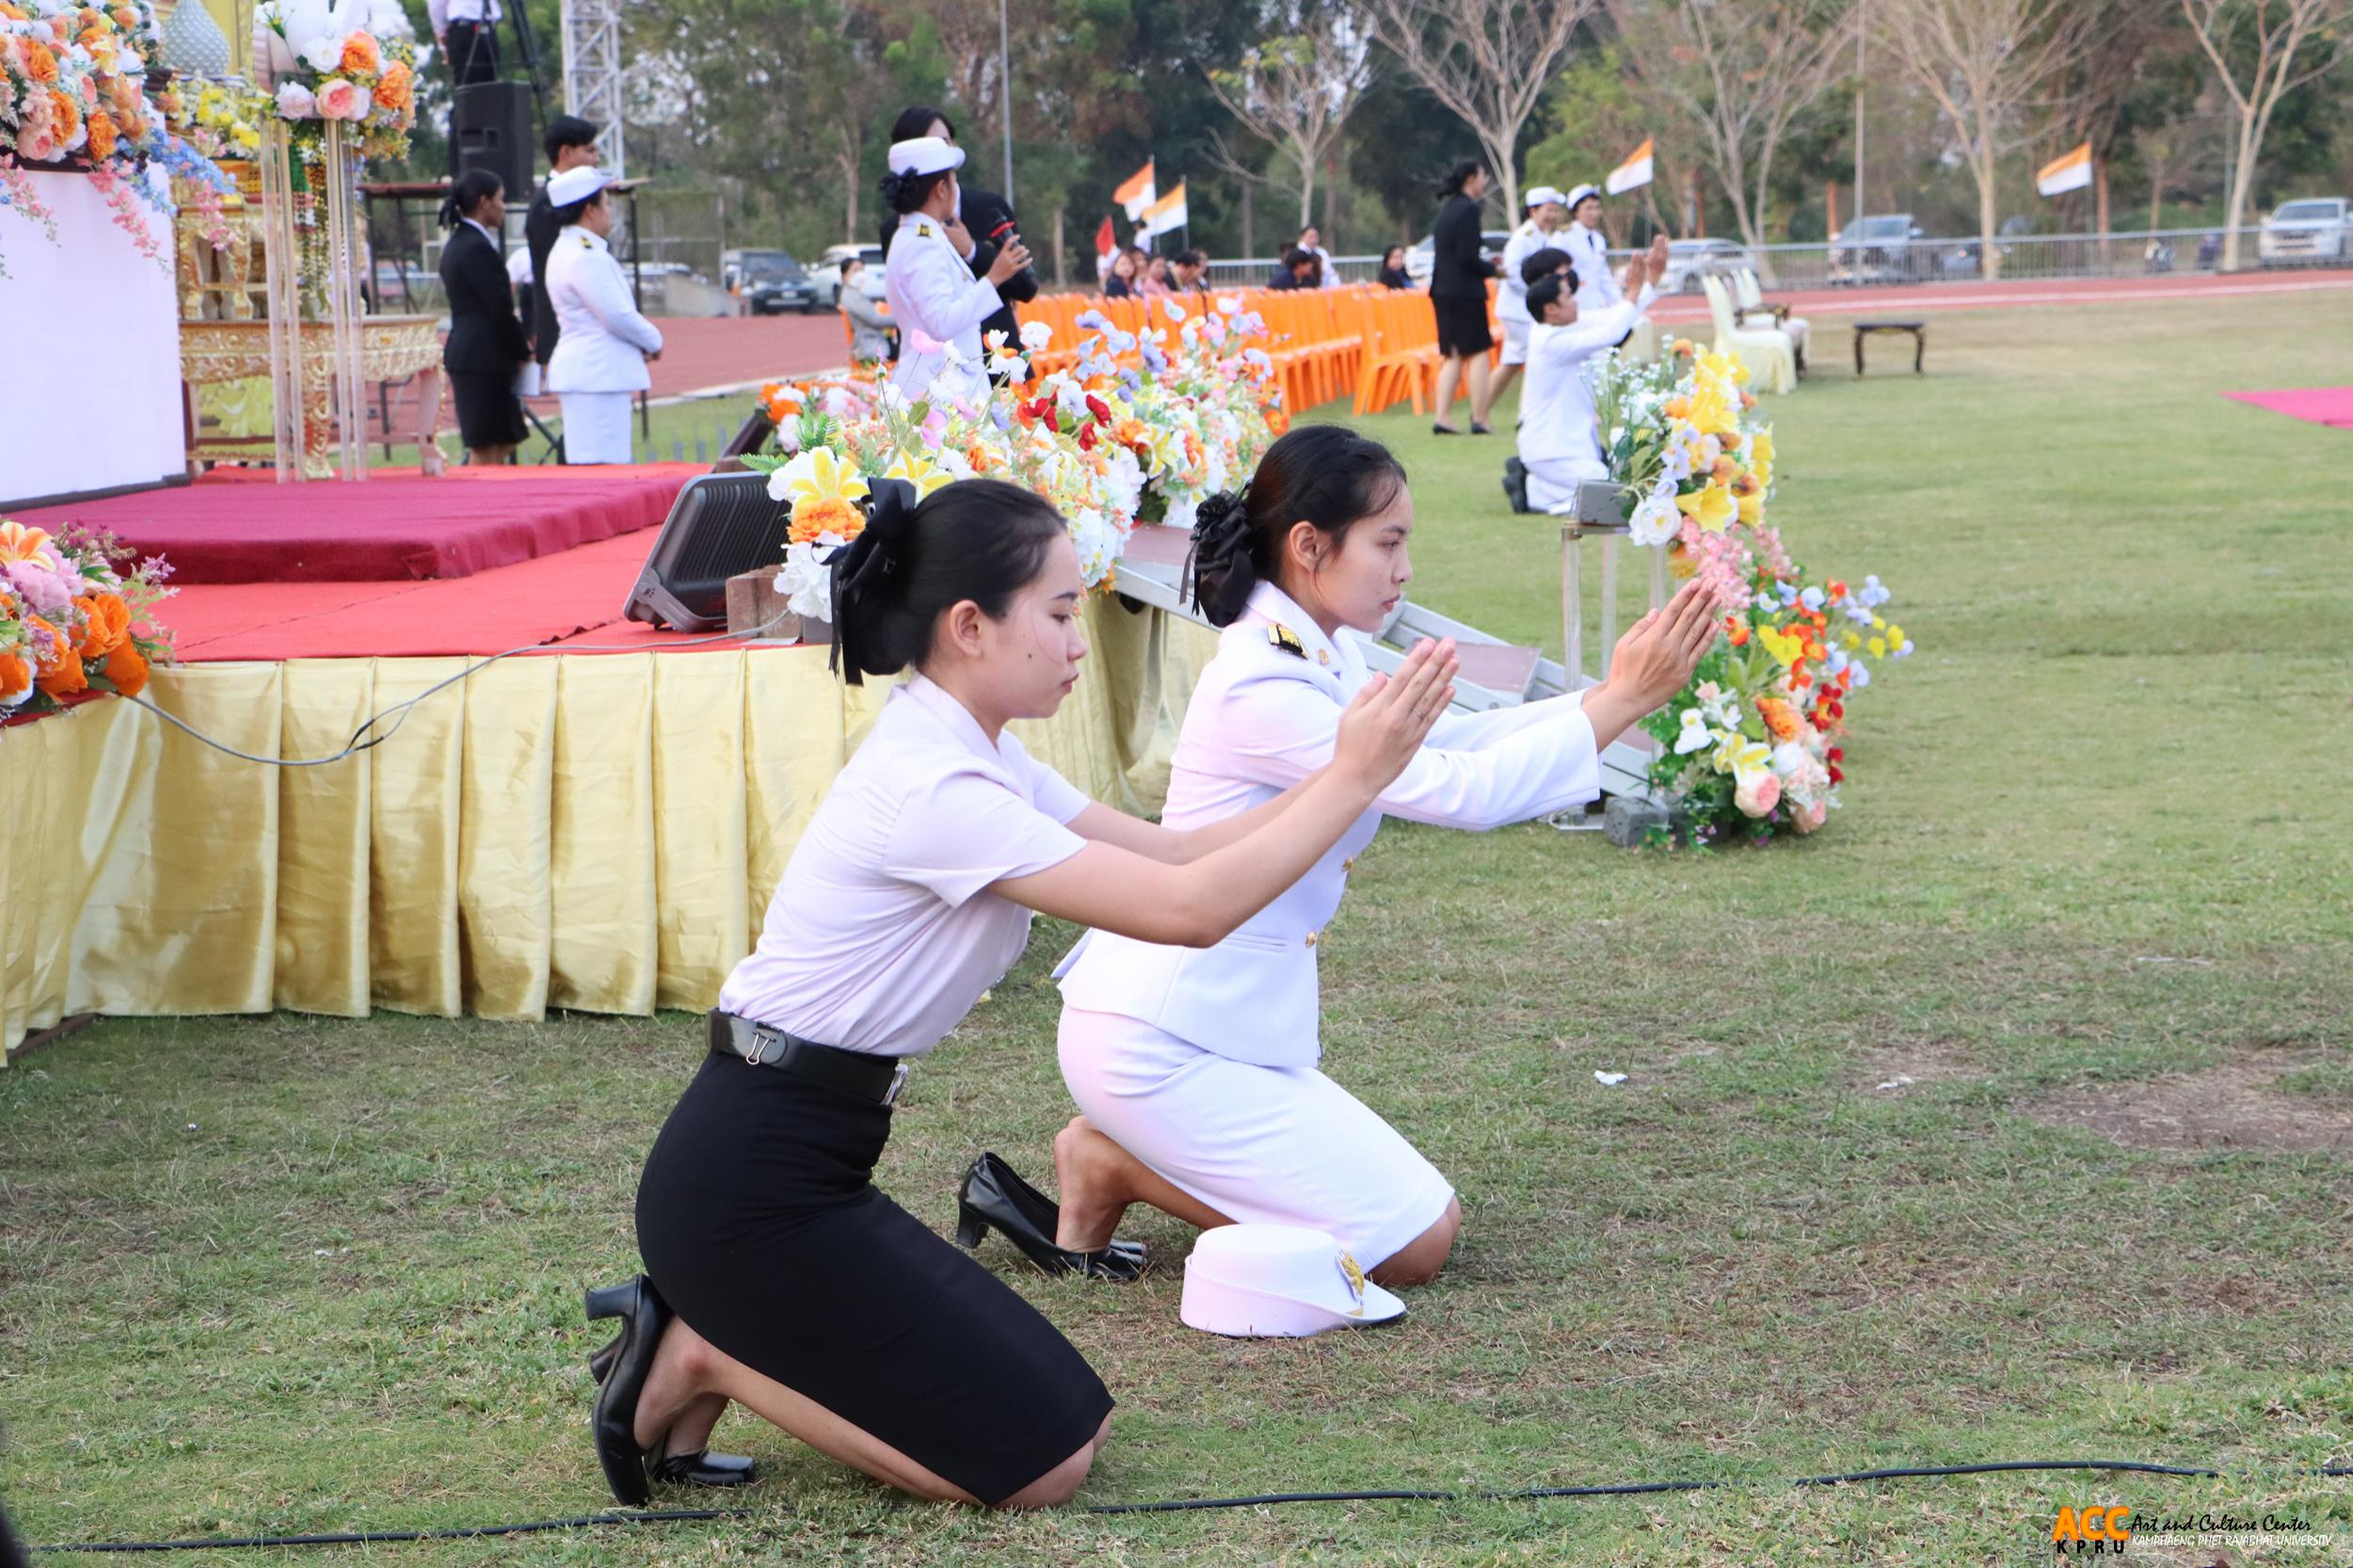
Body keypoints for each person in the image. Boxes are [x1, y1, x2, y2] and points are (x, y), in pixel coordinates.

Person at [588, 475, 1463, 1510]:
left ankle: (712, 1342)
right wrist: (1356, 777)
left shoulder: (978, 753)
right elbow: (1185, 909)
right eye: (1056, 613)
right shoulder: (938, 790)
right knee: (1041, 1470)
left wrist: (1347, 773)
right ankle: (700, 1356)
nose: (1077, 640)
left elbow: (1175, 850)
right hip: (745, 1189)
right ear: (970, 625)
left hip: (812, 1166)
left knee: (1073, 1419)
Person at [1032, 425, 1724, 1288]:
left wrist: (1602, 698)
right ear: (1310, 547)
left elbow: (1455, 743)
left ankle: (1115, 1158)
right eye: (1388, 543)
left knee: (1425, 1219)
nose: (1404, 569)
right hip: (1157, 1042)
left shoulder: (1320, 646)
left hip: (1224, 1034)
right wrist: (1623, 701)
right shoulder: (1266, 684)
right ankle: (1115, 1165)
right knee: (1412, 1247)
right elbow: (1458, 792)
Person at [1515, 234, 1668, 513]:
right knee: (1617, 495)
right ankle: (1540, 491)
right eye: (1569, 297)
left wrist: (1650, 282)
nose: (1576, 302)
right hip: (1550, 450)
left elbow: (1614, 319)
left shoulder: (1563, 325)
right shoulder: (1549, 340)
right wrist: (1632, 293)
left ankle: (1539, 492)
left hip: (1568, 446)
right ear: (1551, 309)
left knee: (1615, 488)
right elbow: (1612, 332)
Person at [882, 136, 1031, 408]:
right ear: (941, 189)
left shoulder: (922, 236)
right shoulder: (921, 243)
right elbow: (941, 323)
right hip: (936, 396)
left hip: (944, 388)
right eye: (952, 180)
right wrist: (994, 278)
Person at [884, 106, 1037, 351]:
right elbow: (936, 320)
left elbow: (1026, 285)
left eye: (945, 142)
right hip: (941, 371)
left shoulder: (990, 207)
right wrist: (993, 277)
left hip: (996, 360)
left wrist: (974, 251)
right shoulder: (910, 234)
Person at [543, 166, 662, 464]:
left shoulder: (569, 248)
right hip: (597, 375)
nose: (610, 211)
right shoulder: (586, 256)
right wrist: (653, 340)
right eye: (606, 203)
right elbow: (617, 315)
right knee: (603, 468)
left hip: (593, 373)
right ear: (589, 210)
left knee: (595, 467)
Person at [436, 168, 530, 466]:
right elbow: (498, 306)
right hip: (481, 356)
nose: (504, 206)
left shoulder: (463, 243)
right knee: (486, 446)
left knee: (504, 439)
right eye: (500, 200)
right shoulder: (474, 247)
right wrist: (522, 349)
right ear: (484, 201)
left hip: (480, 354)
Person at [526, 114, 600, 373]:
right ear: (566, 152)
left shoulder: (575, 198)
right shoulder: (546, 204)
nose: (596, 159)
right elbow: (555, 275)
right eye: (589, 151)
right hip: (566, 335)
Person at [1430, 160, 1497, 436]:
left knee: (1453, 355)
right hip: (1465, 293)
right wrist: (1494, 269)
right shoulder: (1469, 209)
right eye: (1483, 176)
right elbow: (1468, 256)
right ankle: (1480, 417)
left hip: (1443, 290)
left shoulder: (1449, 209)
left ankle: (1442, 416)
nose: (1485, 182)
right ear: (1471, 178)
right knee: (1479, 352)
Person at [1491, 184, 1565, 412]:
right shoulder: (1523, 237)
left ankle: (1480, 413)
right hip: (1518, 310)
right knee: (1537, 358)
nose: (1552, 216)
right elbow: (1513, 273)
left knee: (1511, 363)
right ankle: (1531, 411)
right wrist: (1538, 294)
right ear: (1533, 211)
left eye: (1555, 210)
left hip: (1525, 311)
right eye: (1548, 210)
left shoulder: (1544, 236)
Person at [1561, 184, 1624, 312]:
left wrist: (1622, 304)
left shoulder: (1598, 239)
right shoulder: (1563, 237)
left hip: (1596, 304)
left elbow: (1604, 276)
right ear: (1575, 211)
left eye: (1597, 208)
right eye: (1588, 208)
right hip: (1573, 304)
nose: (1594, 213)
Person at [427, 0, 500, 87]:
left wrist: (441, 34)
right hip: (468, 27)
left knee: (488, 87)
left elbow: (437, 6)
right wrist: (442, 35)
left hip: (481, 25)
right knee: (474, 88)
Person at [838, 256, 893, 366]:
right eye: (855, 270)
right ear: (844, 276)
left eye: (862, 270)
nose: (860, 274)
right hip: (870, 346)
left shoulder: (852, 294)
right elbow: (876, 320)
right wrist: (901, 319)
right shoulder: (852, 297)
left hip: (867, 344)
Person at [1298, 225, 1339, 289]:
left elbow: (1329, 271)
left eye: (1316, 236)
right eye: (1310, 237)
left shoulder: (1322, 252)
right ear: (1302, 237)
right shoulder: (1298, 253)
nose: (1314, 239)